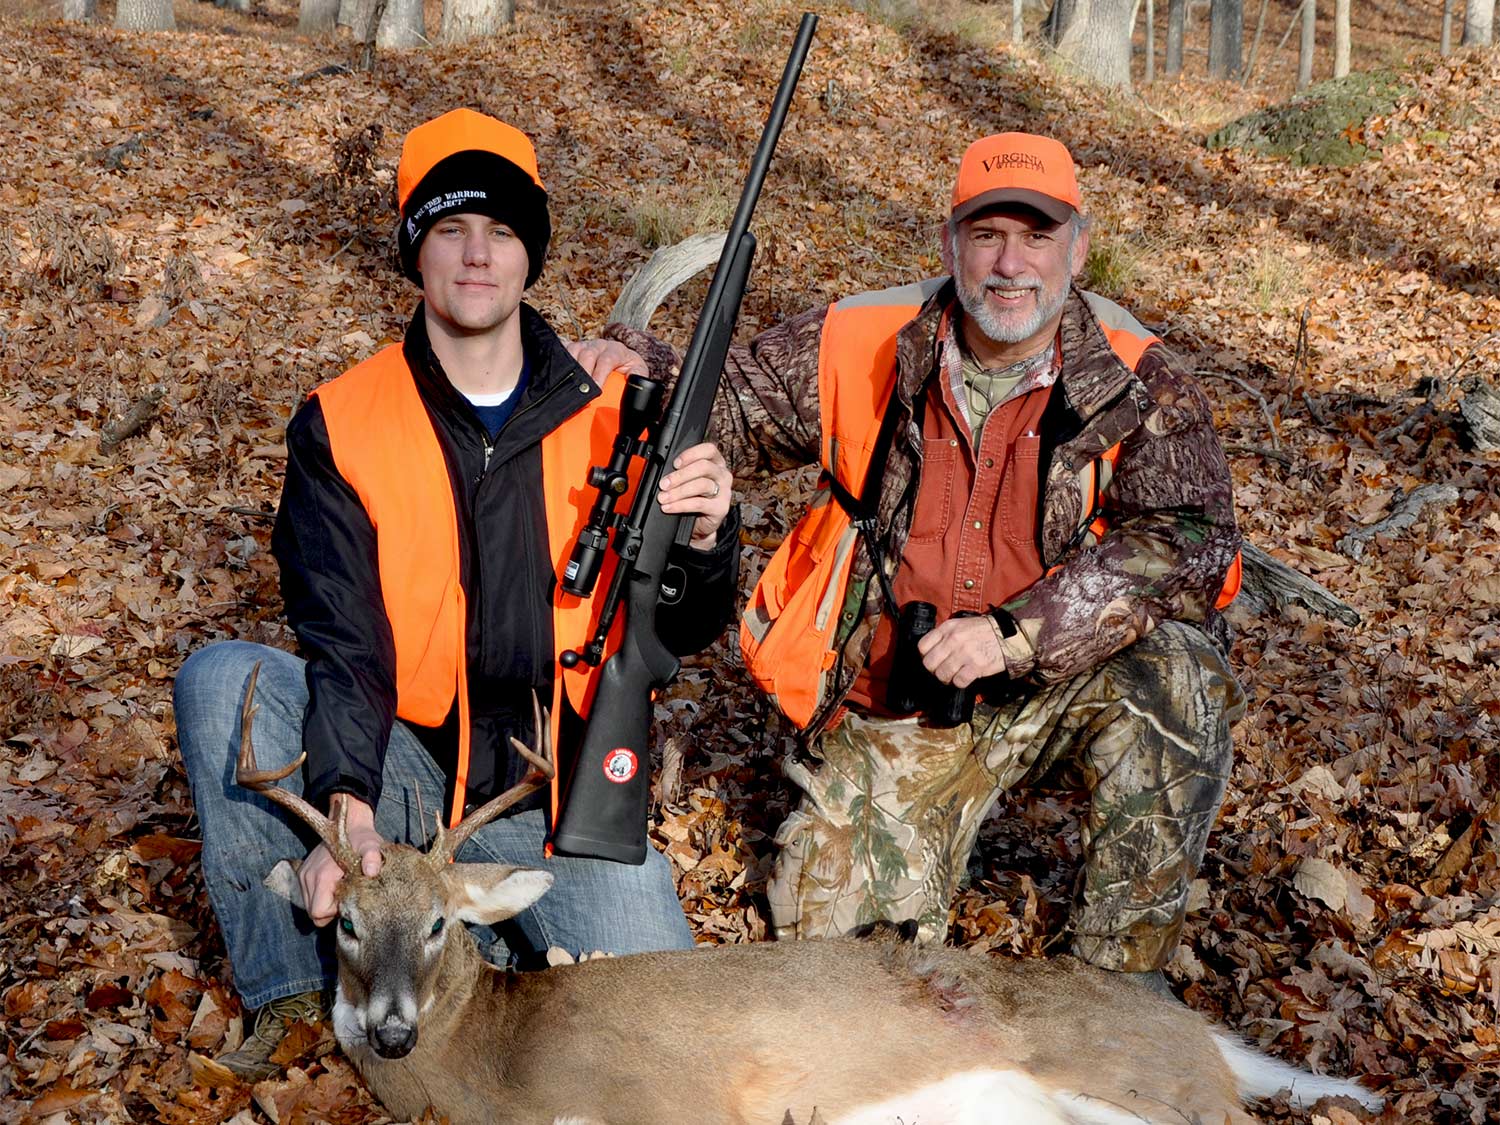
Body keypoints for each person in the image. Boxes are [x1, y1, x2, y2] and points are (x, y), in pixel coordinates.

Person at [602, 131, 1245, 989]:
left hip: (1052, 685)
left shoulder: (1137, 376)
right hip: (896, 707)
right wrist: (628, 358)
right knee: (838, 972)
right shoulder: (864, 339)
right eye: (987, 234)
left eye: (1037, 235)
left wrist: (1018, 634)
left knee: (1181, 677)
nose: (1010, 263)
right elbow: (732, 405)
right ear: (951, 243)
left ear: (1078, 248)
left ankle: (1115, 984)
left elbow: (1193, 537)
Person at [174, 108, 739, 1078]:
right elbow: (341, 633)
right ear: (415, 251)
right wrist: (346, 801)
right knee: (228, 682)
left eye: (504, 231)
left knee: (667, 1036)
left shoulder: (616, 419)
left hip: (553, 795)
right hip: (402, 764)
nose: (477, 255)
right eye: (450, 229)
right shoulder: (343, 422)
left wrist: (712, 537)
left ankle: (471, 935)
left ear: (532, 255)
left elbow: (683, 621)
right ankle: (293, 997)